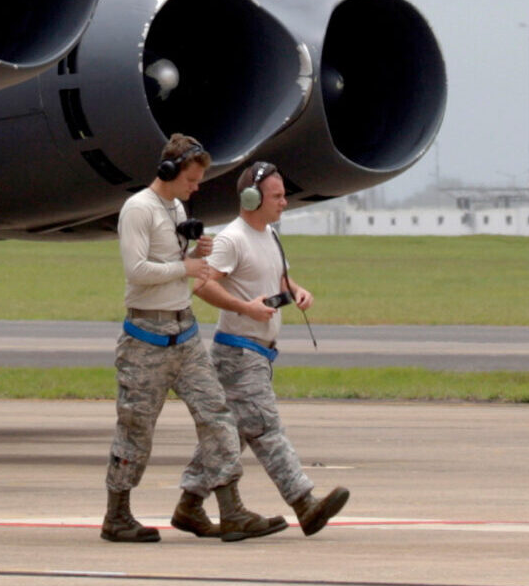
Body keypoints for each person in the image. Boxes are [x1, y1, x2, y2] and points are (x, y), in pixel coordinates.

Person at [102, 134, 287, 544]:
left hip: (184, 333)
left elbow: (176, 262)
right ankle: (117, 515)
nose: (196, 187)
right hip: (145, 335)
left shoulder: (176, 208)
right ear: (168, 171)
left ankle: (231, 510)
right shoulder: (138, 210)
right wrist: (184, 267)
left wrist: (198, 254)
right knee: (136, 426)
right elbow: (136, 271)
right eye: (191, 179)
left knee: (217, 415)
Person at [207, 161, 351, 535]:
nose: (285, 202)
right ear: (252, 198)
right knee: (267, 428)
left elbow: (280, 277)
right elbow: (204, 285)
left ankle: (189, 504)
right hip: (238, 352)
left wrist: (297, 291)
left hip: (260, 353)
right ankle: (305, 503)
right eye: (278, 196)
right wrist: (244, 308)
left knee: (230, 437)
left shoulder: (269, 234)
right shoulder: (231, 239)